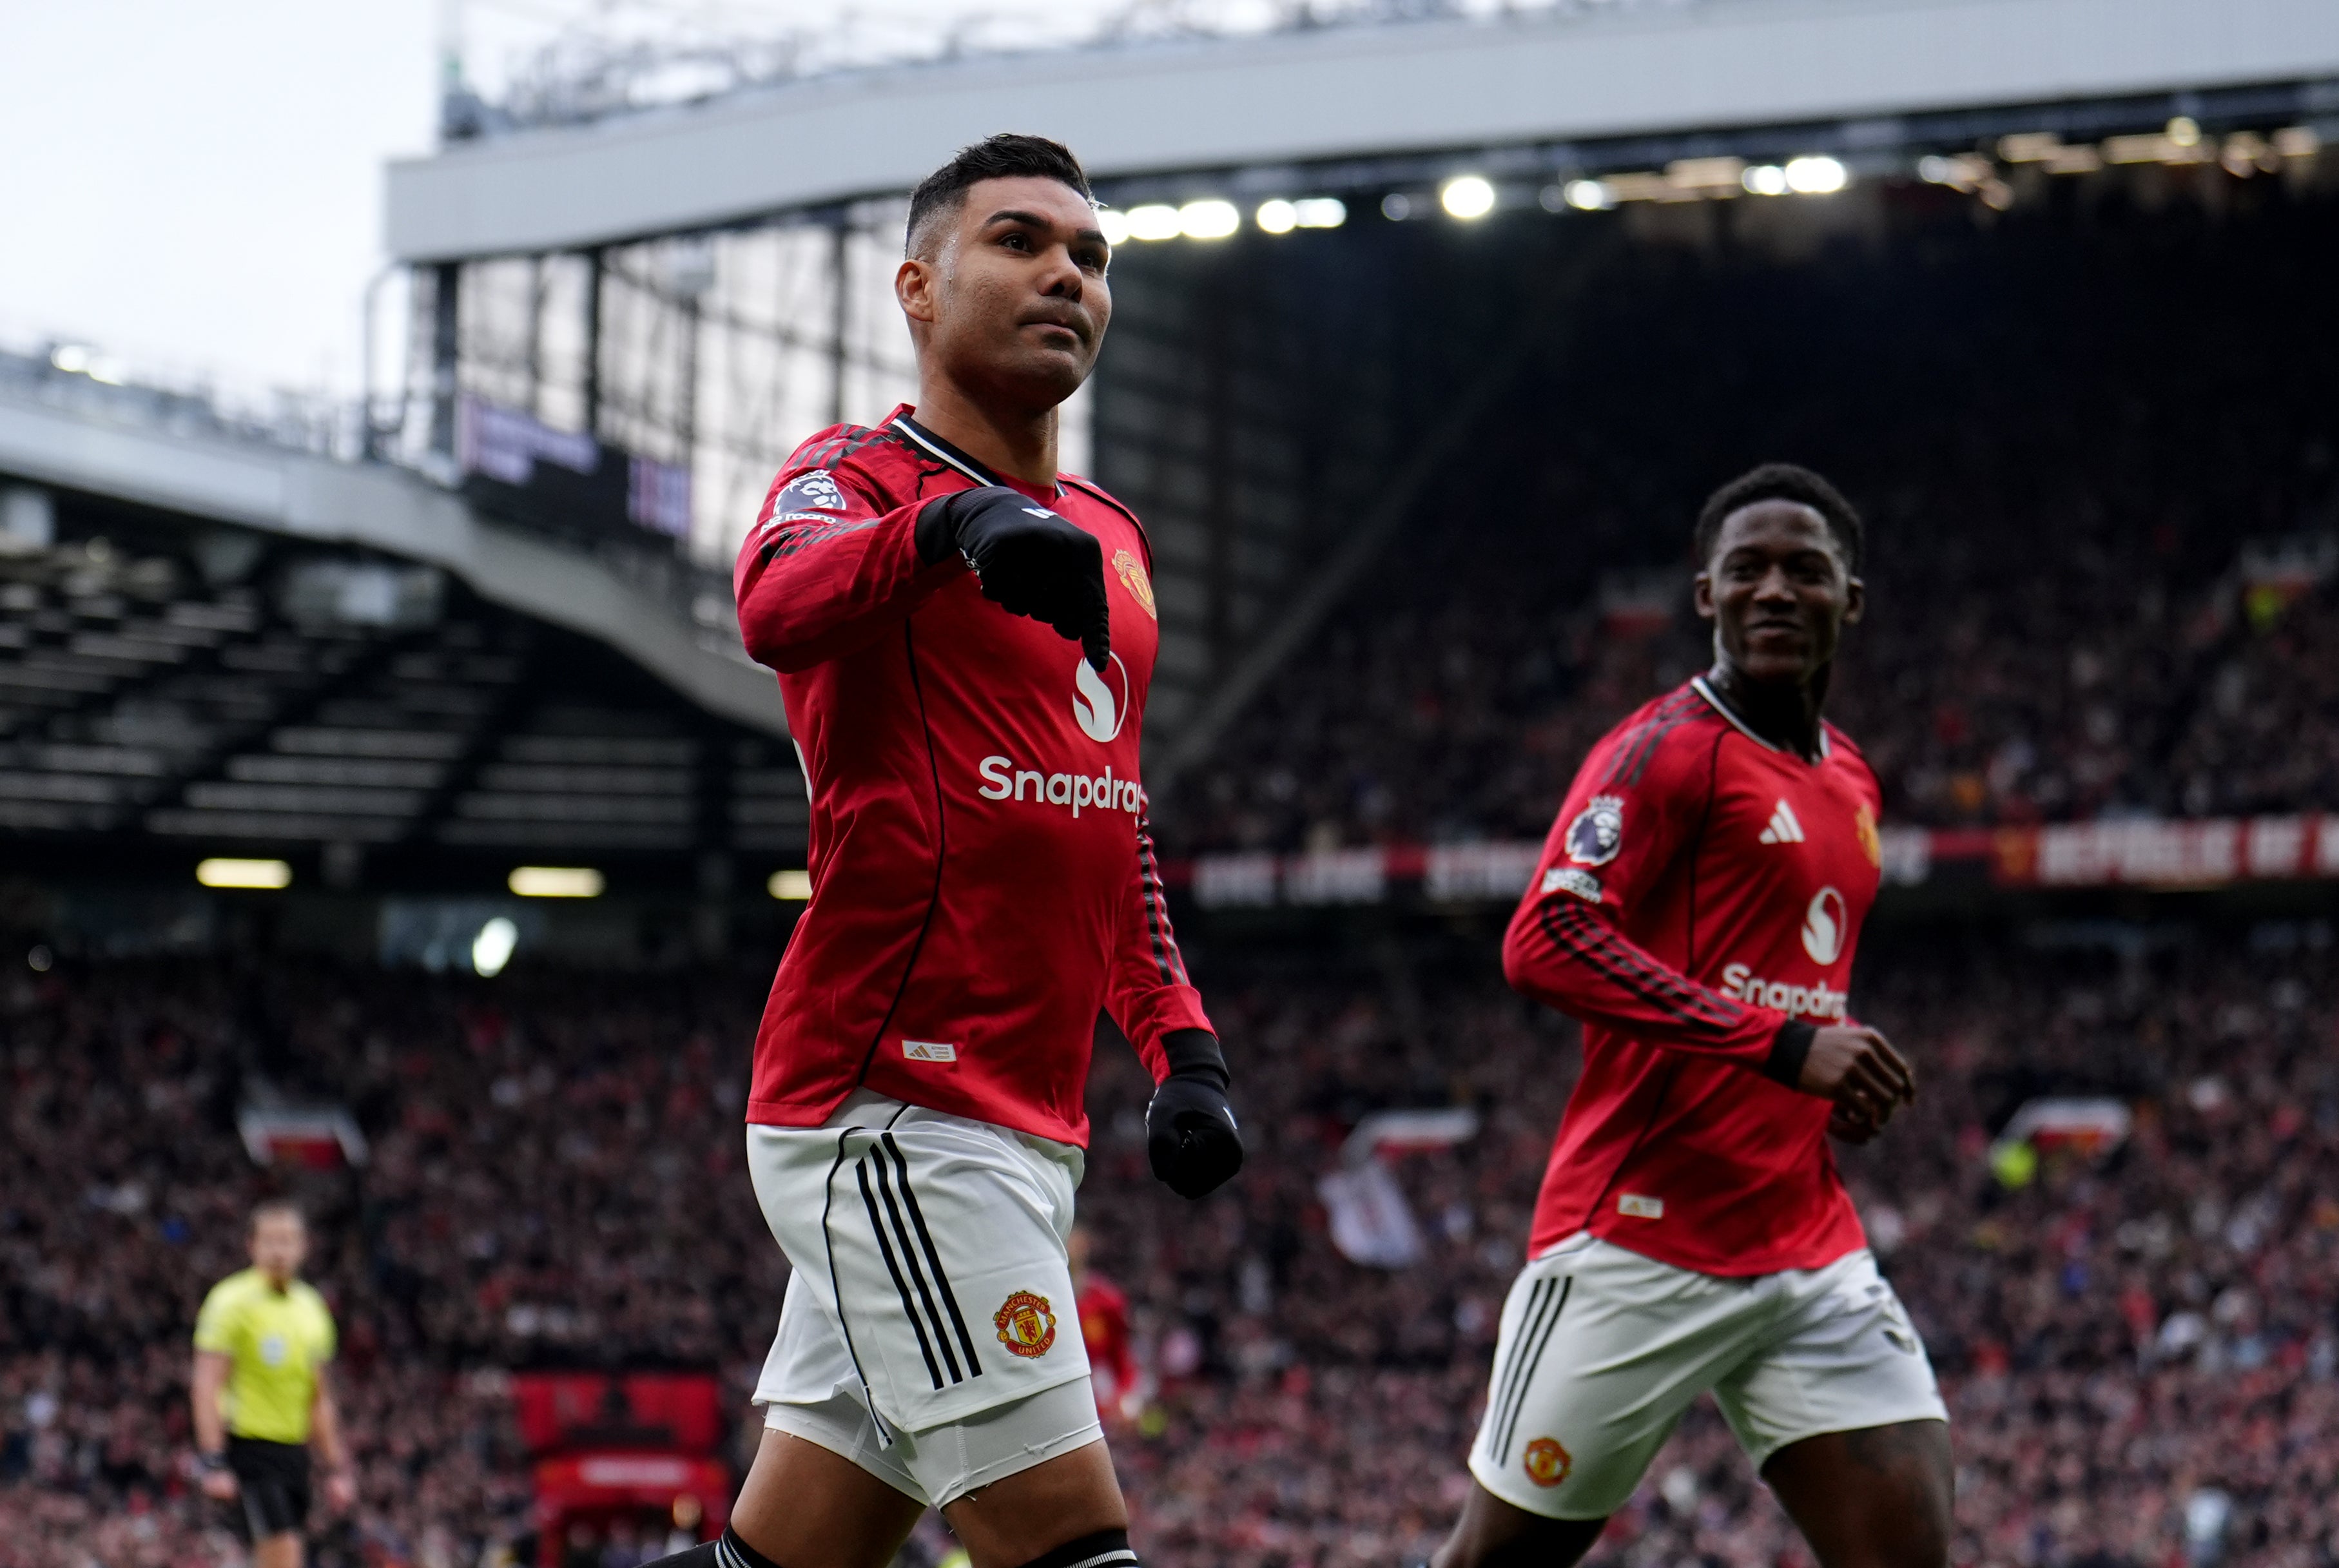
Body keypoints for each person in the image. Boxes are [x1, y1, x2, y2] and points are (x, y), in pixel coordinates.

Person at [648, 135, 1242, 1568]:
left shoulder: (1111, 540)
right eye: (1018, 242)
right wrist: (951, 527)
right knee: (1069, 1547)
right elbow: (773, 605)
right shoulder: (853, 478)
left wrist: (1183, 1047)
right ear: (917, 287)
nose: (1065, 276)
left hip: (1027, 1121)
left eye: (1089, 256)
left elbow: (1107, 815)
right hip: (891, 1105)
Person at [1430, 465, 1950, 1568]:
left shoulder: (1852, 778)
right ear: (1705, 594)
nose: (1774, 590)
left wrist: (1824, 1074)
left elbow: (1788, 979)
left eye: (1804, 570)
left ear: (1849, 598)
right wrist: (1785, 1048)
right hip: (1638, 1235)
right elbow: (1542, 938)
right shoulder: (1664, 750)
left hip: (1806, 1245)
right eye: (1745, 569)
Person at [191, 1201, 356, 1568]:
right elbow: (207, 1385)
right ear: (252, 1246)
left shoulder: (311, 1308)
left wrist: (336, 1468)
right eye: (270, 1241)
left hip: (294, 1452)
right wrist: (213, 1460)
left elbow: (319, 1397)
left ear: (303, 1247)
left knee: (276, 1556)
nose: (279, 1251)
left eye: (287, 1241)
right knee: (284, 1553)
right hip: (249, 1446)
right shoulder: (230, 1302)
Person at [1068, 1226, 1140, 1424]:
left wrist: (1124, 1394)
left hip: (1096, 1407)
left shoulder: (1107, 1301)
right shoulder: (1039, 1302)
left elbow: (1121, 1356)